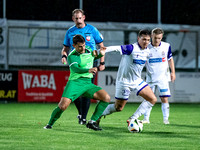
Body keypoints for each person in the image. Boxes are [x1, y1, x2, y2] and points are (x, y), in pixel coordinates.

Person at [44, 34, 110, 131]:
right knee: (63, 106)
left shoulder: (88, 49)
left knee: (106, 98)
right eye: (80, 46)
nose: (83, 48)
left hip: (87, 83)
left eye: (83, 45)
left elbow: (93, 57)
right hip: (75, 83)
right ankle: (49, 124)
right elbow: (76, 68)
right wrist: (88, 70)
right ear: (74, 45)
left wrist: (101, 54)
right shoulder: (72, 56)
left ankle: (92, 122)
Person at [97, 29, 157, 125]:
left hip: (137, 81)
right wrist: (103, 50)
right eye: (144, 39)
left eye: (148, 40)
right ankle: (99, 113)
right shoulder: (131, 48)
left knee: (152, 99)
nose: (146, 42)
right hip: (124, 82)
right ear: (138, 38)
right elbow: (116, 48)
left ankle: (132, 119)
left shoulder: (147, 51)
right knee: (118, 108)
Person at [61, 9, 105, 125]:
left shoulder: (92, 29)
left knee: (86, 90)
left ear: (84, 17)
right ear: (73, 19)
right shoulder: (70, 32)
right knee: (75, 90)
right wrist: (64, 56)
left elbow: (101, 46)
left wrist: (102, 63)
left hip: (90, 63)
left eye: (80, 18)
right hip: (76, 62)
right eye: (76, 18)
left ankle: (83, 117)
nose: (78, 20)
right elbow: (65, 47)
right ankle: (81, 113)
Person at [142, 28, 176, 124]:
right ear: (151, 36)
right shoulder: (146, 47)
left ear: (162, 37)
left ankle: (165, 119)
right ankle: (146, 119)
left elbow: (170, 59)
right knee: (148, 98)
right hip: (150, 78)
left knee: (164, 98)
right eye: (155, 38)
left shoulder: (166, 46)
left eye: (159, 38)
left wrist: (173, 72)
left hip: (163, 78)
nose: (157, 40)